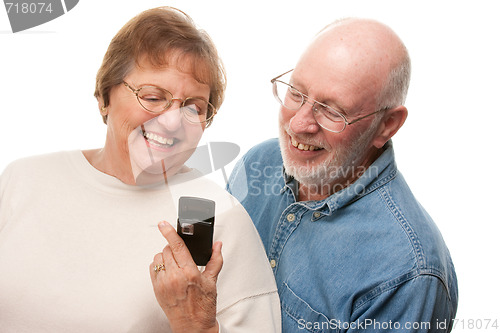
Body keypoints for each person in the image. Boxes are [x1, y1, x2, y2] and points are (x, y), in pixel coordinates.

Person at [0, 7, 280, 332]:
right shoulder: (24, 179)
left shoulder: (211, 216)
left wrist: (197, 326)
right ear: (106, 96)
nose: (173, 121)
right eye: (152, 96)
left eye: (193, 107)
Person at [227, 18, 458, 332]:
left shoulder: (408, 275)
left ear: (387, 125)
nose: (297, 125)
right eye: (295, 92)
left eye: (331, 110)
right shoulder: (259, 161)